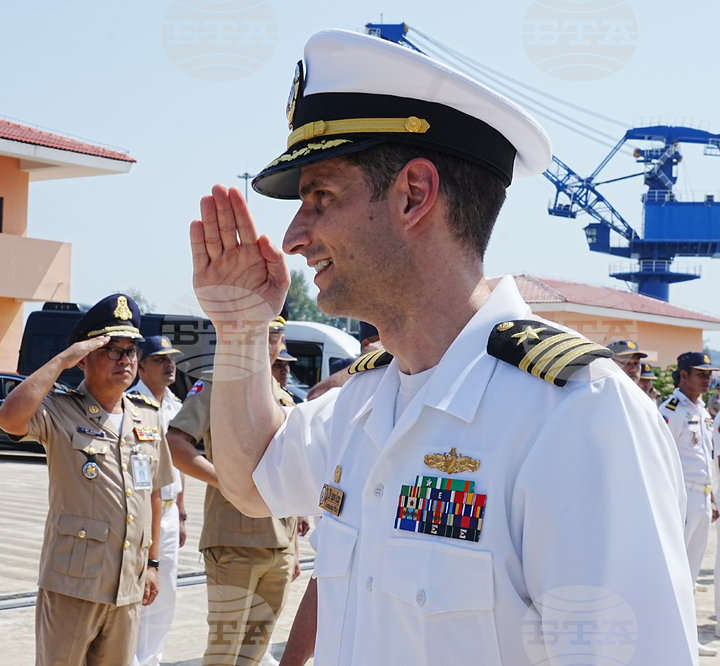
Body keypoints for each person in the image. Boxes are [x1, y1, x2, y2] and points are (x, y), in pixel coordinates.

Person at [188, 29, 696, 664]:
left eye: (321, 197)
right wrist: (238, 330)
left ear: (414, 195)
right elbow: (253, 480)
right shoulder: (365, 401)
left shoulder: (578, 416)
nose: (294, 236)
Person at [0, 294, 174, 666]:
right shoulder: (60, 410)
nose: (125, 359)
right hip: (73, 584)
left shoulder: (147, 417)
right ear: (85, 357)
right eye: (113, 350)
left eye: (131, 351)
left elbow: (154, 492)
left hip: (127, 585)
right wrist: (61, 361)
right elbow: (8, 419)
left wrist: (153, 564)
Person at [167, 314, 298, 666]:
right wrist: (225, 480)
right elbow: (176, 443)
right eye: (262, 335)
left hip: (279, 546)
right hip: (234, 540)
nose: (269, 344)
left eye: (275, 337)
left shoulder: (283, 396)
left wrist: (295, 547)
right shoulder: (219, 383)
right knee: (224, 652)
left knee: (254, 652)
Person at [131, 335, 186, 666]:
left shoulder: (176, 407)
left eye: (172, 359)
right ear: (141, 365)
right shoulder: (131, 402)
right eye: (160, 359)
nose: (170, 365)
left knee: (165, 591)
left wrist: (181, 514)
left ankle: (151, 659)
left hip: (167, 512)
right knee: (136, 587)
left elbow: (180, 466)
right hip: (139, 510)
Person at [660, 352, 719, 653]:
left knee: (692, 575)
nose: (707, 379)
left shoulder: (702, 410)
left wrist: (711, 496)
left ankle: (687, 639)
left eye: (709, 374)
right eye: (700, 373)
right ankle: (666, 639)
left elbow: (703, 459)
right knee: (675, 572)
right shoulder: (672, 410)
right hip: (681, 497)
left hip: (701, 497)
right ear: (683, 375)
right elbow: (660, 457)